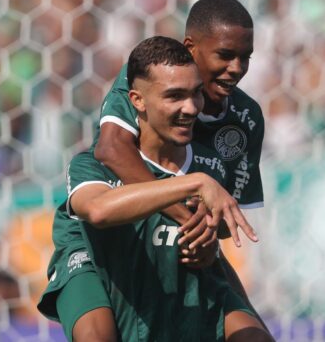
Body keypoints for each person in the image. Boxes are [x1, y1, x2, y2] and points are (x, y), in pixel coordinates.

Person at [38, 36, 272, 341]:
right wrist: (194, 184)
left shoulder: (211, 165)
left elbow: (221, 234)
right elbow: (97, 210)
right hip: (99, 267)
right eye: (174, 96)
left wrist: (209, 239)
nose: (190, 108)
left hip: (170, 272)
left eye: (196, 94)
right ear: (137, 100)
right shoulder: (94, 163)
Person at [94, 0, 265, 315]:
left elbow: (230, 218)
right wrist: (188, 218)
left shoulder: (247, 117)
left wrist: (207, 234)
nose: (237, 68)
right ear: (191, 47)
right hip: (123, 241)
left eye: (246, 57)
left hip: (191, 249)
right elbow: (112, 149)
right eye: (226, 55)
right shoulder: (148, 74)